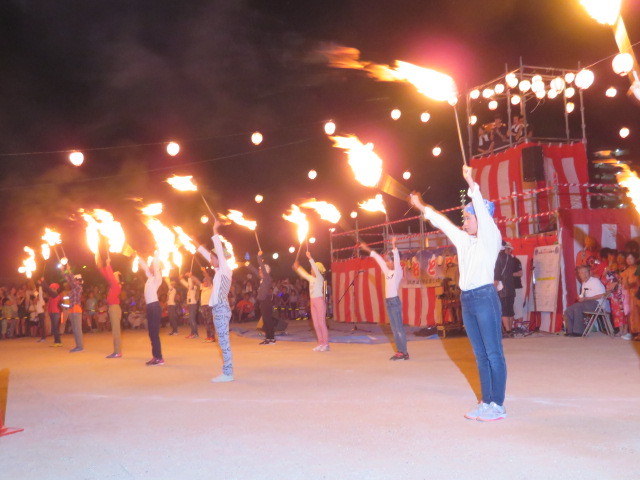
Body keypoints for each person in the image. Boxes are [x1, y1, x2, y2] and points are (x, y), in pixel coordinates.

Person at [410, 165, 506, 422]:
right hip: (468, 300)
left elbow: (482, 214)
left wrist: (471, 183)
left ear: (482, 218)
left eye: (468, 217)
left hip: (485, 298)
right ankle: (485, 402)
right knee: (480, 355)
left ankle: (498, 405)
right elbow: (443, 224)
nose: (464, 222)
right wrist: (422, 207)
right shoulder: (465, 241)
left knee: (493, 353)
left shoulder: (491, 238)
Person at [198, 219, 234, 382]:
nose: (211, 261)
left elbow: (218, 250)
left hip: (221, 308)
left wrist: (214, 230)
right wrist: (197, 244)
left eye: (213, 258)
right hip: (218, 309)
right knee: (222, 341)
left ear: (220, 259)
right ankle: (227, 372)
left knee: (224, 342)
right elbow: (209, 255)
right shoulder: (219, 271)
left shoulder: (225, 270)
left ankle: (228, 373)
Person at [360, 237, 408, 360]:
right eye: (386, 261)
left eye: (388, 261)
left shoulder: (398, 272)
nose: (386, 262)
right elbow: (377, 258)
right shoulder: (387, 272)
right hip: (388, 302)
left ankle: (404, 352)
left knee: (399, 329)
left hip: (394, 302)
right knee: (394, 329)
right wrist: (367, 249)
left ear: (392, 262)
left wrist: (394, 245)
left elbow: (397, 260)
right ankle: (400, 351)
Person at [293, 250, 329, 352]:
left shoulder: (320, 278)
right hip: (313, 302)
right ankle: (320, 343)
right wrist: (297, 268)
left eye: (313, 269)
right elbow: (304, 274)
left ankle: (326, 344)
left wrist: (310, 258)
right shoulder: (311, 278)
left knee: (321, 323)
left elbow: (316, 270)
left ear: (317, 270)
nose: (311, 270)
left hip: (319, 302)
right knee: (316, 324)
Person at [563, 265, 606, 336]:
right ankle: (570, 331)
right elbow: (583, 295)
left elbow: (602, 295)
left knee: (578, 307)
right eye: (582, 273)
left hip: (597, 304)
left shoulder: (595, 281)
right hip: (587, 303)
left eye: (585, 272)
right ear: (579, 275)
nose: (584, 274)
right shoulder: (584, 283)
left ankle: (578, 331)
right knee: (569, 310)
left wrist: (586, 299)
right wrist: (580, 298)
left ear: (589, 272)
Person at [138, 251, 164, 365]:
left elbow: (157, 267)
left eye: (152, 265)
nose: (150, 266)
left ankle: (159, 358)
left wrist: (156, 255)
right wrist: (138, 256)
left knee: (154, 333)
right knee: (151, 333)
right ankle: (155, 356)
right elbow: (144, 267)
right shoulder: (150, 277)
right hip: (150, 307)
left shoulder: (158, 278)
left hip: (154, 306)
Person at [96, 253, 123, 358]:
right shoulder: (113, 285)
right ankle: (117, 351)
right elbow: (107, 275)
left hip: (114, 308)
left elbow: (110, 276)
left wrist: (108, 265)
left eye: (115, 275)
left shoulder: (117, 285)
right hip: (113, 308)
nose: (113, 275)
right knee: (115, 331)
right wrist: (100, 265)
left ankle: (117, 352)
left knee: (116, 331)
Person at [494, 242, 519, 336]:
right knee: (510, 310)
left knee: (504, 310)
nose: (511, 251)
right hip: (511, 288)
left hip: (502, 288)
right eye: (510, 249)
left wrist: (494, 287)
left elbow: (497, 275)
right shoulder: (512, 259)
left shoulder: (498, 258)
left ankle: (508, 331)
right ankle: (510, 330)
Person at [250, 251, 275, 345]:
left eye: (261, 271)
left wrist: (259, 257)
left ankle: (270, 338)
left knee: (267, 320)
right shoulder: (263, 279)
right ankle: (269, 338)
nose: (259, 272)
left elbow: (262, 269)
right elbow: (255, 271)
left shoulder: (267, 278)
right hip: (263, 301)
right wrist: (248, 265)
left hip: (266, 301)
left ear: (265, 271)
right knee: (266, 320)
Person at [63, 265, 84, 353]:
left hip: (76, 310)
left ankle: (80, 346)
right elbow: (69, 280)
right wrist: (64, 271)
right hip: (72, 310)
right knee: (75, 329)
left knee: (77, 329)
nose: (74, 281)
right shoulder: (73, 289)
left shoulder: (79, 288)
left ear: (78, 281)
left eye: (76, 280)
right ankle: (78, 346)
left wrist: (69, 271)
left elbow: (72, 281)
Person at [41, 280, 63, 346]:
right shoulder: (53, 295)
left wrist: (43, 282)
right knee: (54, 327)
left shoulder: (55, 294)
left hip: (55, 312)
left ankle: (58, 342)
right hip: (53, 312)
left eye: (51, 288)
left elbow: (47, 289)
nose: (50, 289)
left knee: (55, 327)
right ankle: (57, 341)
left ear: (54, 289)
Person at [181, 272, 200, 339]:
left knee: (192, 319)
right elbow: (185, 283)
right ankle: (193, 333)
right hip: (190, 304)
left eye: (192, 281)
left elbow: (190, 284)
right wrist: (181, 279)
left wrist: (189, 277)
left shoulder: (194, 287)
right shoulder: (190, 287)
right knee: (191, 319)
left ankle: (195, 333)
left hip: (193, 304)